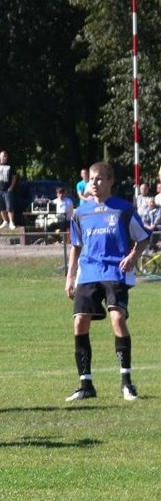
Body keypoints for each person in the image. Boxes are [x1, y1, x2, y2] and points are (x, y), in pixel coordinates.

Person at [64, 162, 150, 403]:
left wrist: (133, 256)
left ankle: (127, 383)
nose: (94, 182)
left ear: (111, 181)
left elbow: (143, 238)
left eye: (100, 178)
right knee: (80, 322)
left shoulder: (123, 210)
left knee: (117, 319)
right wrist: (70, 276)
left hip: (115, 271)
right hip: (89, 272)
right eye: (92, 178)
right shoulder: (81, 213)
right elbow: (76, 247)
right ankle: (86, 385)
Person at [0, 151, 17, 229]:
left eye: (6, 156)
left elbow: (14, 177)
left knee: (9, 207)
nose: (4, 157)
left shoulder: (10, 166)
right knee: (1, 207)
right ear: (0, 157)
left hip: (7, 190)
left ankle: (11, 222)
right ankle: (5, 221)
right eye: (3, 156)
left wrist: (11, 187)